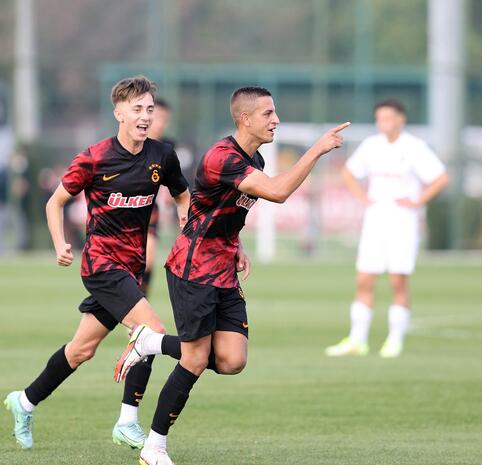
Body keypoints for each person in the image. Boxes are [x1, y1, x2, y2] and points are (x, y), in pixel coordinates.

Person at [114, 86, 350, 465]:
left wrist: (235, 243)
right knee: (194, 360)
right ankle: (154, 448)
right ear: (244, 118)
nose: (276, 120)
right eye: (268, 114)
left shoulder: (254, 157)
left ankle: (150, 343)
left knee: (232, 360)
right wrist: (317, 150)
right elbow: (277, 192)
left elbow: (218, 209)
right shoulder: (222, 157)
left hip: (223, 269)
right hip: (193, 270)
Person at [4, 76, 191, 451]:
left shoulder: (162, 156)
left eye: (149, 110)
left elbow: (183, 194)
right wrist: (60, 243)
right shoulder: (95, 157)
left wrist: (186, 224)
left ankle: (24, 401)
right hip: (101, 265)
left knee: (81, 350)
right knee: (150, 331)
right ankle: (127, 421)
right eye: (137, 109)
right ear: (118, 112)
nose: (145, 116)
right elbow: (55, 202)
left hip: (131, 269)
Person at [325, 99, 449, 358]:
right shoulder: (372, 145)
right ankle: (357, 339)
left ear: (401, 119)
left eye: (388, 118)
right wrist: (362, 197)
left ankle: (395, 340)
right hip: (375, 220)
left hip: (403, 222)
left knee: (397, 281)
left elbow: (441, 178)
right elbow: (348, 172)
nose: (383, 123)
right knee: (364, 279)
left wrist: (418, 201)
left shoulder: (414, 147)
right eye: (379, 118)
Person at [142, 98, 174, 295]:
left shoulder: (168, 147)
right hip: (125, 208)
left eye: (165, 119)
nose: (161, 123)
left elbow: (175, 178)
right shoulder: (135, 142)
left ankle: (140, 304)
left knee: (148, 259)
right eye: (158, 117)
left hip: (150, 209)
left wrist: (172, 192)